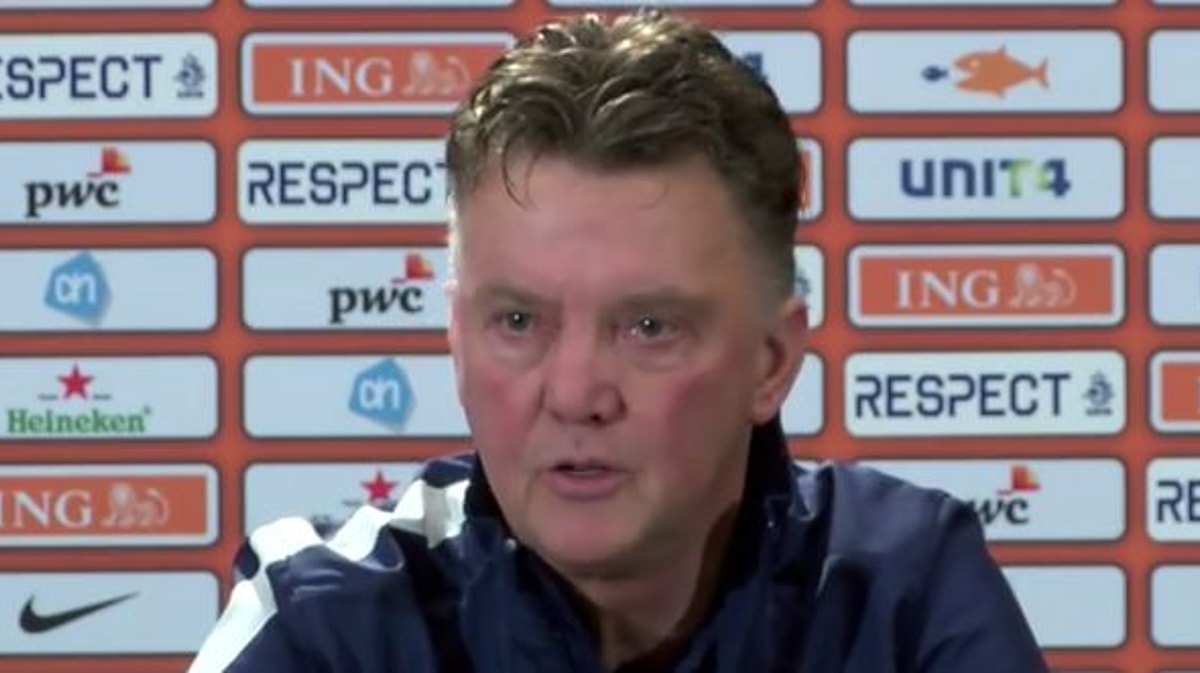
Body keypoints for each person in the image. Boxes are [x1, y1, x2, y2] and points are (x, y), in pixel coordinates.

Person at [188, 9, 1049, 672]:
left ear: (772, 361)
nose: (575, 394)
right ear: (457, 338)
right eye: (518, 321)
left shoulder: (900, 593)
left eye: (649, 327)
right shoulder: (324, 620)